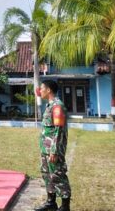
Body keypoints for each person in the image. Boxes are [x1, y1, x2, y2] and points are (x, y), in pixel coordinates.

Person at [35, 80, 71, 211]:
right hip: (46, 148)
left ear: (49, 90)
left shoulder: (57, 106)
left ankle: (65, 206)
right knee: (47, 174)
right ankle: (51, 202)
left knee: (58, 175)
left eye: (42, 88)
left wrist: (54, 151)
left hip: (53, 149)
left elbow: (59, 130)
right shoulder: (50, 105)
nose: (40, 90)